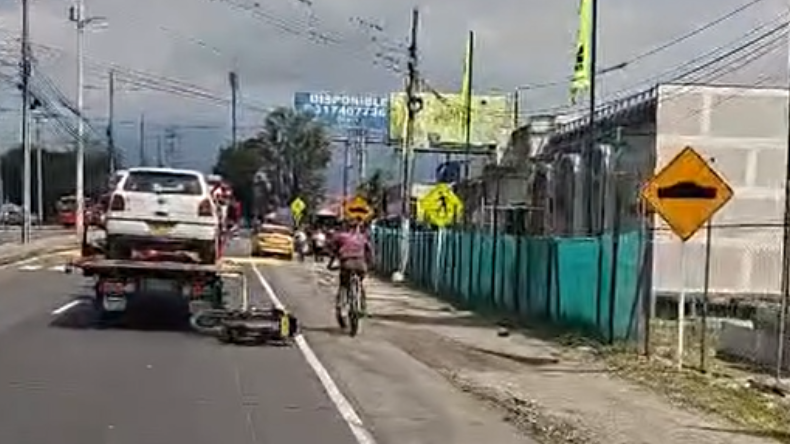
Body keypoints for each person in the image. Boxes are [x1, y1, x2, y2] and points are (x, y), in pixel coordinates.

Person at [328, 218, 373, 315]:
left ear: (346, 227)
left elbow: (334, 252)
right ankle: (363, 306)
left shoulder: (341, 236)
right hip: (361, 265)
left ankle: (340, 304)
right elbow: (369, 252)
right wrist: (369, 264)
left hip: (347, 264)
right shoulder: (362, 237)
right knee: (360, 284)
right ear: (358, 227)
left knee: (343, 284)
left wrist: (330, 264)